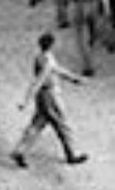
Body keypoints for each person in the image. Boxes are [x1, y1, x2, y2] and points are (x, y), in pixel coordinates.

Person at [12, 32, 88, 167]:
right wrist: (25, 101)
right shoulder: (48, 60)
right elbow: (39, 80)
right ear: (51, 45)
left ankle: (20, 150)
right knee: (62, 125)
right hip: (50, 96)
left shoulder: (41, 56)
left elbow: (56, 70)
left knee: (37, 124)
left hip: (42, 97)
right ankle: (72, 154)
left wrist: (74, 78)